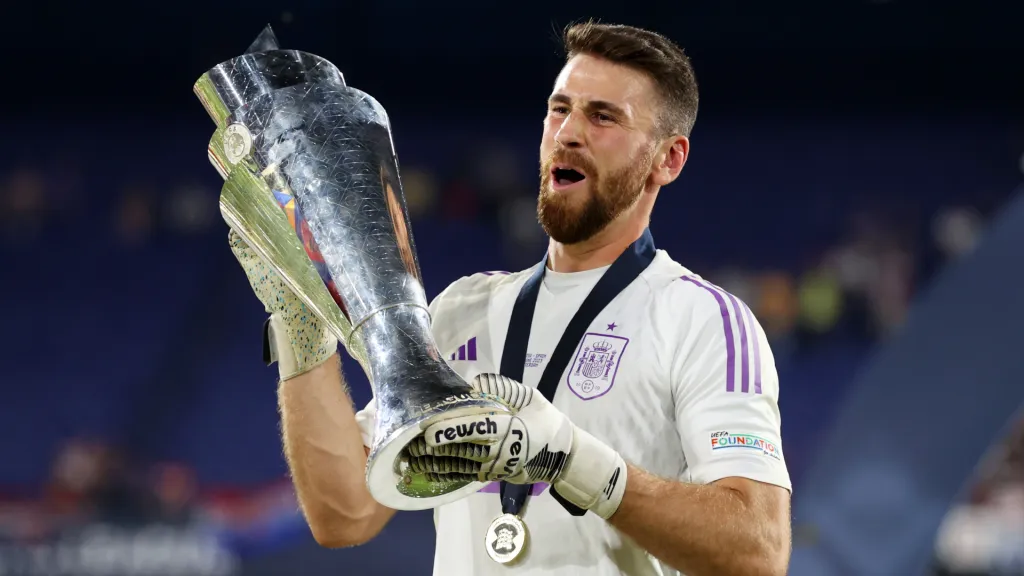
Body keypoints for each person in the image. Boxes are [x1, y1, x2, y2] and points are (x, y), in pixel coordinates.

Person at [228, 20, 792, 576]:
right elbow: (345, 514)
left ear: (668, 159)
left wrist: (573, 460)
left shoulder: (703, 320)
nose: (569, 132)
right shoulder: (458, 310)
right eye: (560, 108)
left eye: (603, 117)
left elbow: (757, 550)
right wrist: (304, 327)